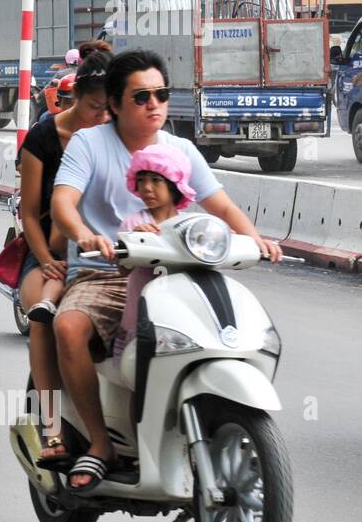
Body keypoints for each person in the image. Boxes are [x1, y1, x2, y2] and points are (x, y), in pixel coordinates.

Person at [50, 49, 282, 492]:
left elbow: (222, 206)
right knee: (69, 328)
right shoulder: (89, 143)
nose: (154, 104)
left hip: (178, 275)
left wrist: (256, 240)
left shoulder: (182, 150)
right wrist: (84, 235)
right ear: (115, 104)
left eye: (161, 94)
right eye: (141, 97)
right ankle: (100, 443)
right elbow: (63, 203)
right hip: (108, 272)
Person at [17, 53, 111, 469]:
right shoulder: (44, 137)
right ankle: (52, 426)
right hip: (51, 252)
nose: (102, 116)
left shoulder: (122, 135)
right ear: (75, 100)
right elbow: (30, 211)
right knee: (45, 317)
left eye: (110, 108)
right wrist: (45, 259)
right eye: (95, 107)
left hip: (110, 256)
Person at [110, 143, 196, 361]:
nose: (147, 188)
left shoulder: (189, 226)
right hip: (141, 318)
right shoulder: (134, 223)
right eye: (141, 180)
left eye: (156, 180)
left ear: (175, 185)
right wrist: (134, 240)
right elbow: (122, 269)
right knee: (136, 378)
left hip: (179, 318)